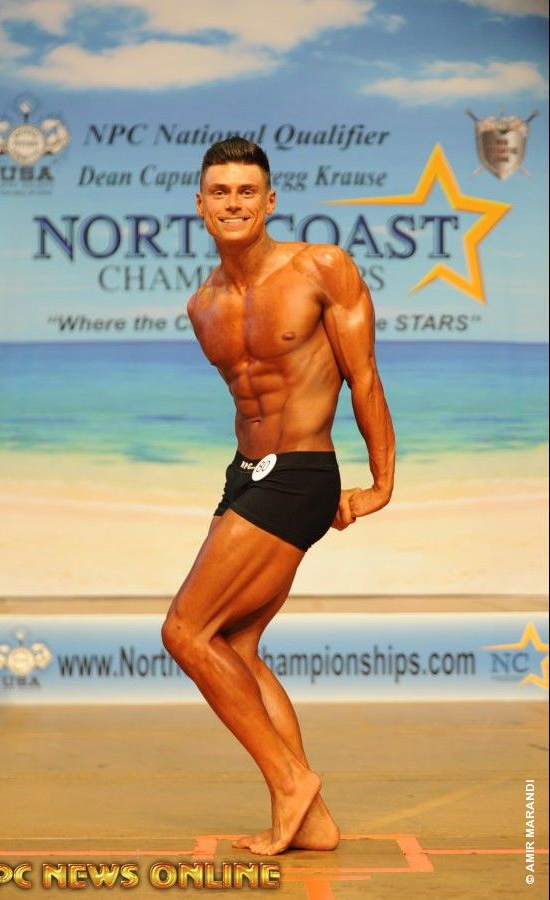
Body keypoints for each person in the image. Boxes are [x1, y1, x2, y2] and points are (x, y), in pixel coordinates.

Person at [161, 137, 395, 856]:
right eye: (220, 192)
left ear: (269, 202)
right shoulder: (202, 305)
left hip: (299, 472)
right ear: (200, 204)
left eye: (246, 191)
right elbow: (250, 401)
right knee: (234, 644)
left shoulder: (321, 267)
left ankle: (292, 781)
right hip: (246, 474)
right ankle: (311, 820)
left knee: (185, 632)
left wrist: (381, 483)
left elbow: (363, 376)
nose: (233, 203)